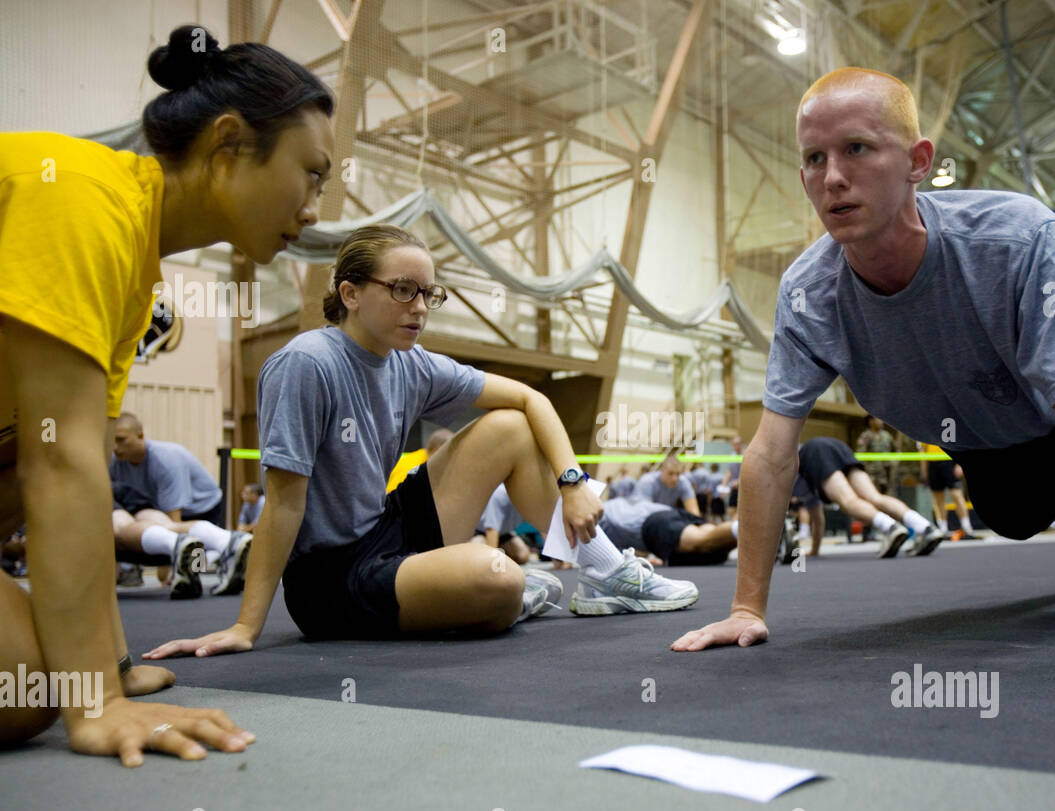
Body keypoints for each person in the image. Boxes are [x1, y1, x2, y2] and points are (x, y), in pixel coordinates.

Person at [673, 67, 1055, 671]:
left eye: (857, 149)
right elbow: (770, 452)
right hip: (986, 438)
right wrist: (746, 609)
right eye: (814, 158)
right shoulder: (809, 294)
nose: (832, 177)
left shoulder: (1017, 238)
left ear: (918, 162)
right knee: (1014, 520)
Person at [0, 23, 329, 761]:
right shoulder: (80, 201)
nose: (313, 207)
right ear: (229, 144)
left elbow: (59, 465)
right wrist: (97, 705)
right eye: (311, 174)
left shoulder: (135, 268)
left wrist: (109, 662)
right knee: (18, 681)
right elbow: (60, 469)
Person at [144, 224, 697, 660]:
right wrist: (246, 626)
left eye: (429, 293)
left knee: (507, 425)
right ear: (350, 293)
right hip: (333, 578)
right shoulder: (306, 365)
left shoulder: (411, 362)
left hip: (387, 527)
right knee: (496, 576)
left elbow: (533, 401)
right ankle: (493, 593)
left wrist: (573, 483)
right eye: (403, 290)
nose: (421, 307)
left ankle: (604, 575)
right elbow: (283, 504)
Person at [110, 411, 252, 597]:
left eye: (121, 440)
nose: (115, 447)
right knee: (178, 538)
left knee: (182, 539)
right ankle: (222, 550)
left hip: (202, 507)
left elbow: (173, 517)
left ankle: (222, 549)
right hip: (160, 507)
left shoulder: (165, 460)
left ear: (140, 436)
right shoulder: (116, 463)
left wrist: (167, 566)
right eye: (112, 441)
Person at [798, 437, 944, 557]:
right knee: (875, 497)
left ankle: (890, 527)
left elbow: (817, 518)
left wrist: (814, 551)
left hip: (814, 453)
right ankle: (926, 528)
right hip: (837, 444)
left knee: (848, 501)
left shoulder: (794, 474)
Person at [599, 494, 795, 567]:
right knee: (713, 549)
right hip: (669, 514)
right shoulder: (617, 503)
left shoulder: (596, 515)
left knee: (703, 541)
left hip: (652, 526)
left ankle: (767, 525)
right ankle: (769, 539)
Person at [918, 442, 977, 539]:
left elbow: (959, 442)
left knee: (956, 494)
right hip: (932, 463)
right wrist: (924, 470)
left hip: (949, 461)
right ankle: (943, 528)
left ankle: (967, 527)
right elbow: (922, 450)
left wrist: (960, 464)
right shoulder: (924, 429)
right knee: (938, 498)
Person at [474, 483, 531, 566]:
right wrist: (493, 564)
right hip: (482, 532)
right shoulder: (498, 495)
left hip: (504, 534)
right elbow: (491, 531)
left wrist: (556, 560)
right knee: (477, 556)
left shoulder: (529, 498)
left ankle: (501, 554)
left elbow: (543, 526)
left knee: (523, 556)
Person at [386, 427, 453, 493]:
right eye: (450, 452)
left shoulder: (424, 457)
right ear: (438, 449)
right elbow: (391, 492)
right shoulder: (413, 466)